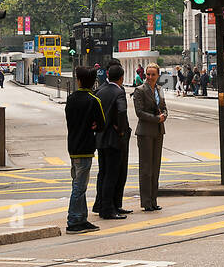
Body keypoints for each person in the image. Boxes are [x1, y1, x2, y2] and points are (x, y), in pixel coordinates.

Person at [64, 65, 104, 234]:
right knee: (80, 187)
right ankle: (73, 221)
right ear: (93, 82)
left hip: (72, 146)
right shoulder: (93, 100)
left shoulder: (71, 99)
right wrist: (92, 125)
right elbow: (101, 124)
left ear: (79, 80)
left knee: (78, 184)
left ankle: (82, 218)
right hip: (86, 147)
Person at [93, 62, 132, 220]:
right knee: (113, 174)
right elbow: (122, 111)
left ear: (108, 75)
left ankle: (103, 205)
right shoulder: (119, 92)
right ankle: (108, 209)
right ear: (122, 78)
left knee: (103, 173)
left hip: (101, 138)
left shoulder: (100, 90)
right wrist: (121, 129)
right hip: (114, 139)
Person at [133, 63, 167, 211]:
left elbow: (164, 107)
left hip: (159, 131)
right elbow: (139, 112)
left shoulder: (159, 90)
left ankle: (153, 200)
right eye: (148, 74)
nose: (150, 77)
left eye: (153, 74)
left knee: (156, 167)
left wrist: (164, 115)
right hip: (145, 132)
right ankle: (146, 202)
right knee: (146, 169)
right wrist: (156, 119)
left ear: (158, 75)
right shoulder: (139, 90)